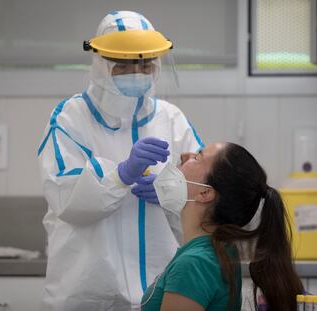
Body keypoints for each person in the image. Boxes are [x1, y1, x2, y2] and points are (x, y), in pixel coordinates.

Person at [37, 11, 204, 310]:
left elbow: (204, 191)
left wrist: (173, 193)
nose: (137, 71)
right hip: (87, 292)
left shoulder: (172, 119)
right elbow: (65, 195)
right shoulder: (71, 118)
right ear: (102, 64)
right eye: (124, 64)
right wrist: (121, 175)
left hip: (160, 289)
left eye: (145, 63)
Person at [141, 142, 304, 311]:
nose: (184, 155)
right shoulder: (219, 250)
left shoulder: (194, 264)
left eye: (197, 157)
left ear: (205, 193)